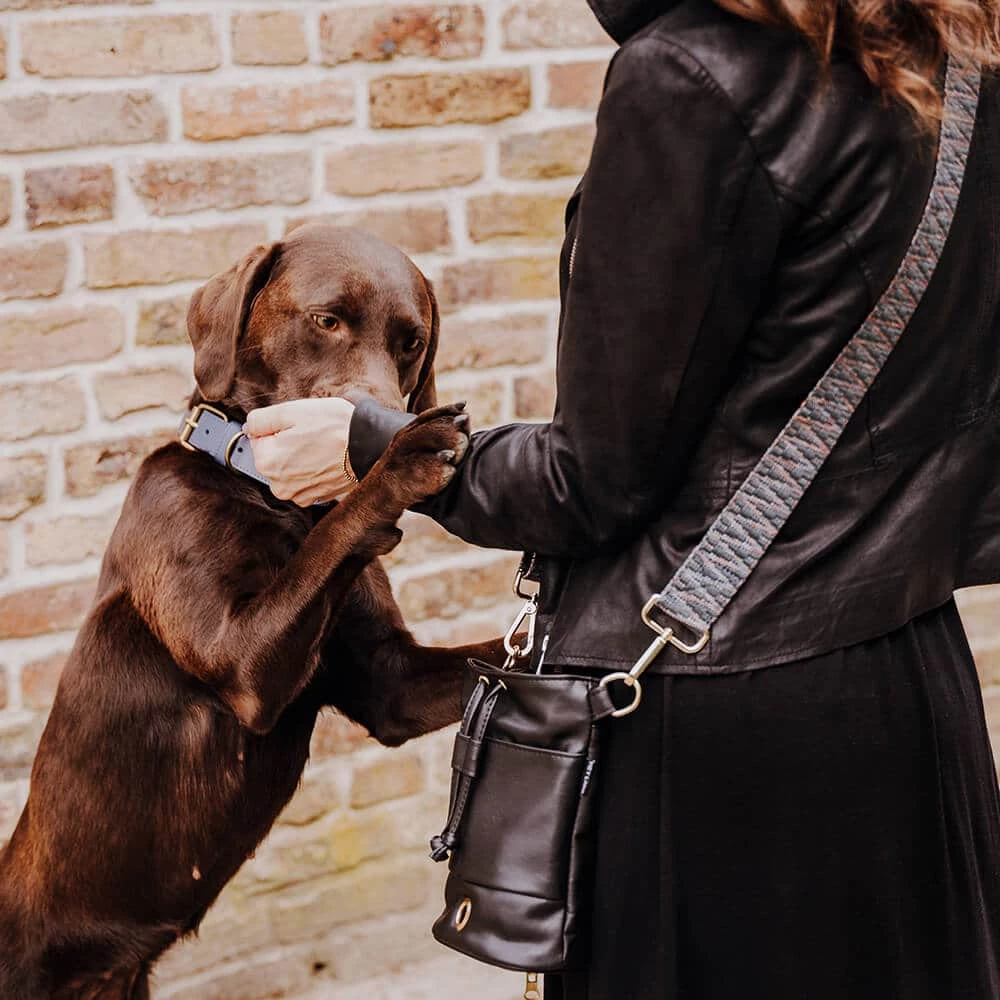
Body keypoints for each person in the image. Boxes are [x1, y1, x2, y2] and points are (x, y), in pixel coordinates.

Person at [246, 1, 1000, 997]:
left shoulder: (691, 73)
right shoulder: (957, 47)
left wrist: (375, 452)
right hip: (909, 693)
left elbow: (588, 483)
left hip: (721, 733)